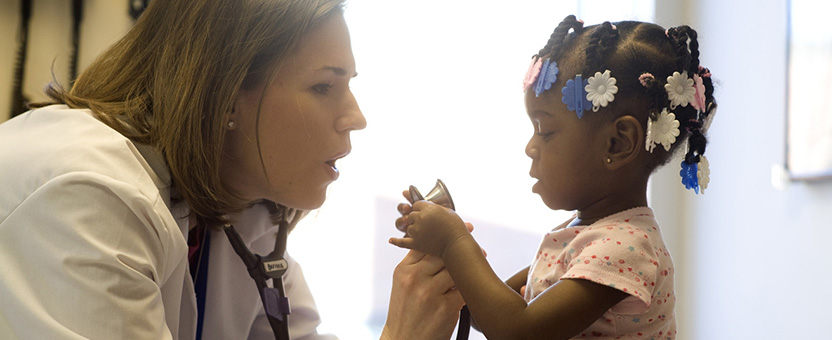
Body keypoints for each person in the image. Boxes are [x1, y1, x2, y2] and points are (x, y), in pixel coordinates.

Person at [0, 0, 465, 339]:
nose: (355, 117)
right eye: (324, 86)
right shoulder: (86, 195)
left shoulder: (244, 210)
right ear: (224, 94)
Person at [390, 15, 717, 340]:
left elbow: (517, 330)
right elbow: (486, 311)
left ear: (617, 143)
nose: (531, 147)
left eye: (544, 130)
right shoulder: (582, 238)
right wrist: (444, 247)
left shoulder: (628, 248)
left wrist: (453, 241)